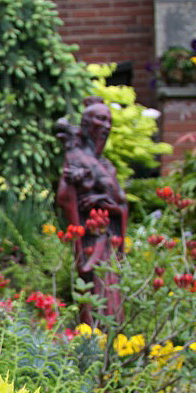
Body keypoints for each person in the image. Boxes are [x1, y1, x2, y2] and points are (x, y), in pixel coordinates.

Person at [55, 97, 129, 325]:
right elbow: (64, 197)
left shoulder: (105, 165)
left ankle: (112, 337)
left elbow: (121, 202)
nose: (106, 126)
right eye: (100, 119)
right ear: (86, 123)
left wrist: (106, 204)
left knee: (111, 289)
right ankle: (93, 334)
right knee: (93, 287)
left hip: (108, 237)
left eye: (109, 121)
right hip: (90, 239)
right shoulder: (76, 157)